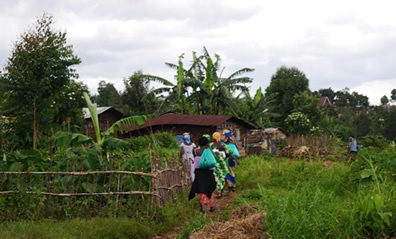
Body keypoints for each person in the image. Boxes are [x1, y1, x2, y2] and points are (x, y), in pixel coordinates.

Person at [189, 136, 217, 213]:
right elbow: (214, 158)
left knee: (201, 189)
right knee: (209, 189)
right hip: (209, 172)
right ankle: (211, 206)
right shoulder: (209, 150)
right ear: (207, 143)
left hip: (199, 173)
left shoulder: (195, 151)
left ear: (198, 143)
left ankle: (202, 207)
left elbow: (196, 159)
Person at [210, 132, 229, 198]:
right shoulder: (223, 145)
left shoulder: (211, 145)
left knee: (217, 177)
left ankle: (219, 192)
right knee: (223, 177)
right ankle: (221, 191)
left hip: (214, 164)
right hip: (223, 164)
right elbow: (227, 154)